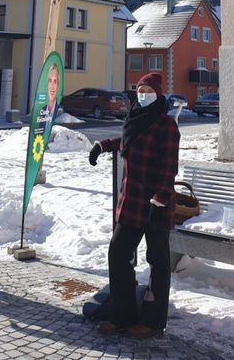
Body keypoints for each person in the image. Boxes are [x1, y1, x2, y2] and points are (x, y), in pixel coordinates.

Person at [88, 72, 180, 340]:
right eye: (140, 89)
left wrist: (160, 198)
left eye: (148, 90)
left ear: (159, 94)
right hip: (132, 202)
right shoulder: (136, 119)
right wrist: (101, 146)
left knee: (158, 262)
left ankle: (153, 322)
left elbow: (168, 167)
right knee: (118, 255)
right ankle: (122, 314)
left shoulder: (166, 125)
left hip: (155, 205)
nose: (143, 94)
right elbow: (127, 143)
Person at [38, 61, 60, 127]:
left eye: (55, 81)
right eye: (50, 81)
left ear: (58, 85)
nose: (52, 86)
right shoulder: (41, 110)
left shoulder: (58, 112)